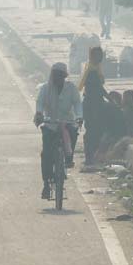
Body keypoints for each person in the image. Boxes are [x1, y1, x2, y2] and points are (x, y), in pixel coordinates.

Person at [34, 62, 82, 200]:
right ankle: (46, 185)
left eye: (61, 75)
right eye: (56, 75)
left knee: (73, 133)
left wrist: (79, 117)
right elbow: (40, 103)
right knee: (46, 154)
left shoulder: (71, 88)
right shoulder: (45, 88)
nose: (58, 78)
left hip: (67, 121)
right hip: (51, 123)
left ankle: (68, 158)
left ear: (64, 76)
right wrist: (39, 114)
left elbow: (77, 103)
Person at [79, 47, 107, 166]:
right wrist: (110, 99)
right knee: (92, 131)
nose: (100, 57)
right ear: (92, 56)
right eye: (97, 55)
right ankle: (90, 157)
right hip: (92, 104)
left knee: (95, 130)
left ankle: (92, 157)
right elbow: (99, 89)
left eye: (101, 55)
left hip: (95, 101)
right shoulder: (92, 70)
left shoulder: (95, 66)